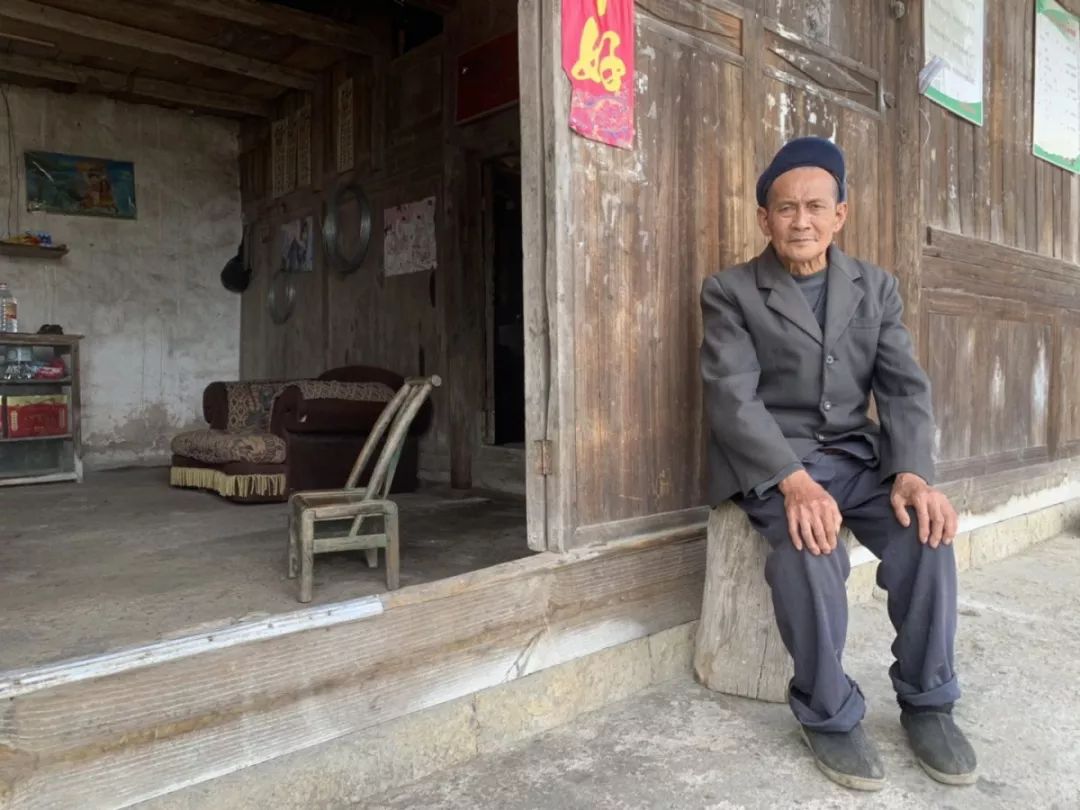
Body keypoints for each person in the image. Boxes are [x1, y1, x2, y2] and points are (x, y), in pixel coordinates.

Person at [699, 137, 977, 791]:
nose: (801, 221)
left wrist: (913, 474)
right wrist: (794, 483)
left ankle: (928, 701)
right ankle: (827, 712)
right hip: (779, 465)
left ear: (840, 214)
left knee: (926, 535)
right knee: (808, 550)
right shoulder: (730, 291)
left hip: (858, 457)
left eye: (816, 207)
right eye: (786, 208)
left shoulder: (875, 288)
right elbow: (732, 398)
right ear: (764, 218)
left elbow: (904, 387)